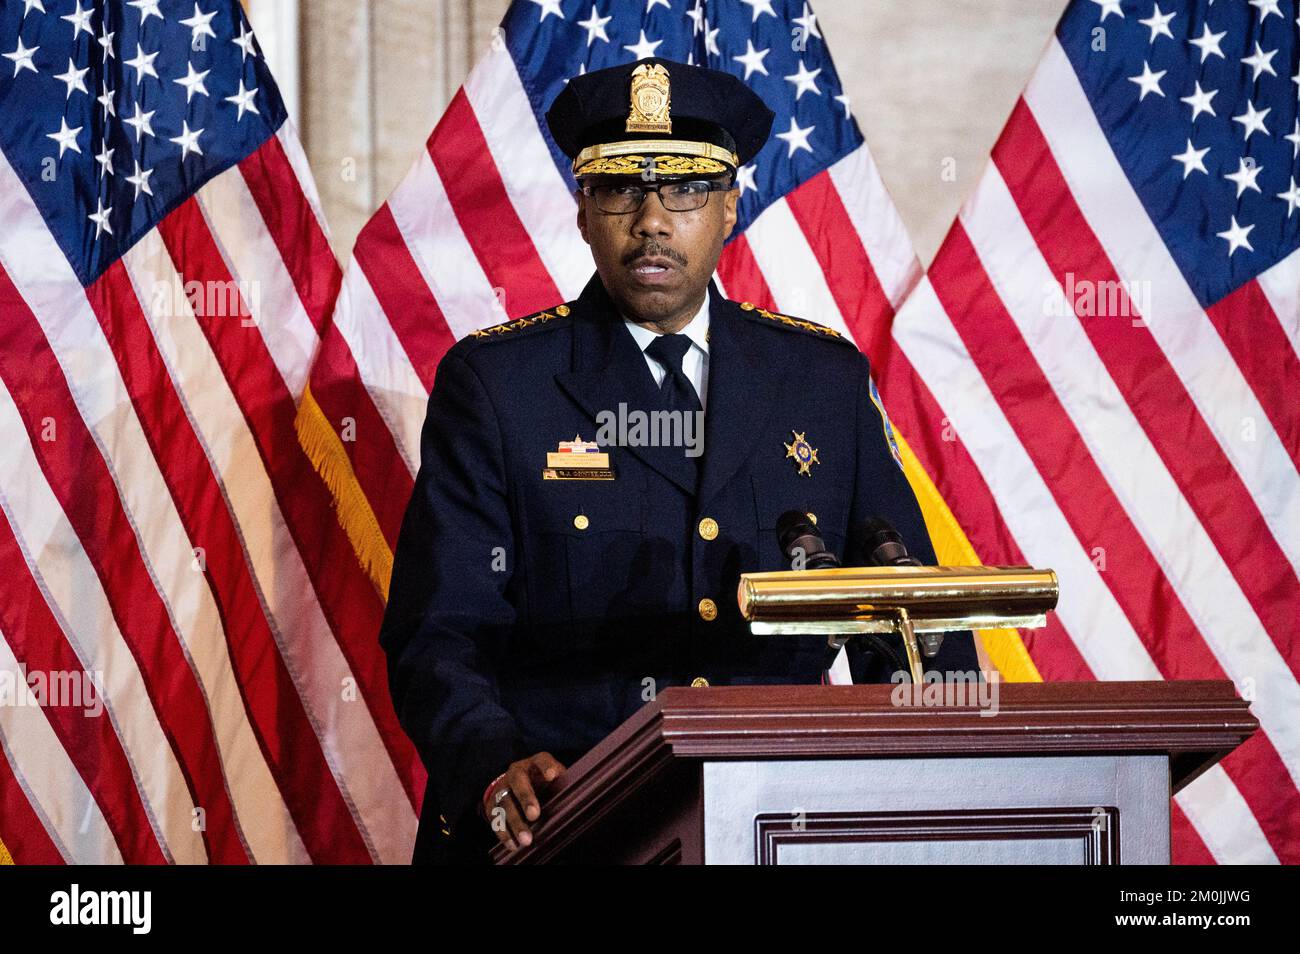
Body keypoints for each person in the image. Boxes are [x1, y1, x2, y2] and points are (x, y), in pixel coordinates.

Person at [378, 57, 980, 865]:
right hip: (565, 830)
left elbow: (908, 620)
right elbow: (438, 629)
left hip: (783, 829)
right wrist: (491, 769)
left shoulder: (821, 383)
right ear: (583, 209)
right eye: (622, 188)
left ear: (731, 206)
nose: (653, 220)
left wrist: (935, 798)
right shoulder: (498, 386)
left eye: (687, 189)